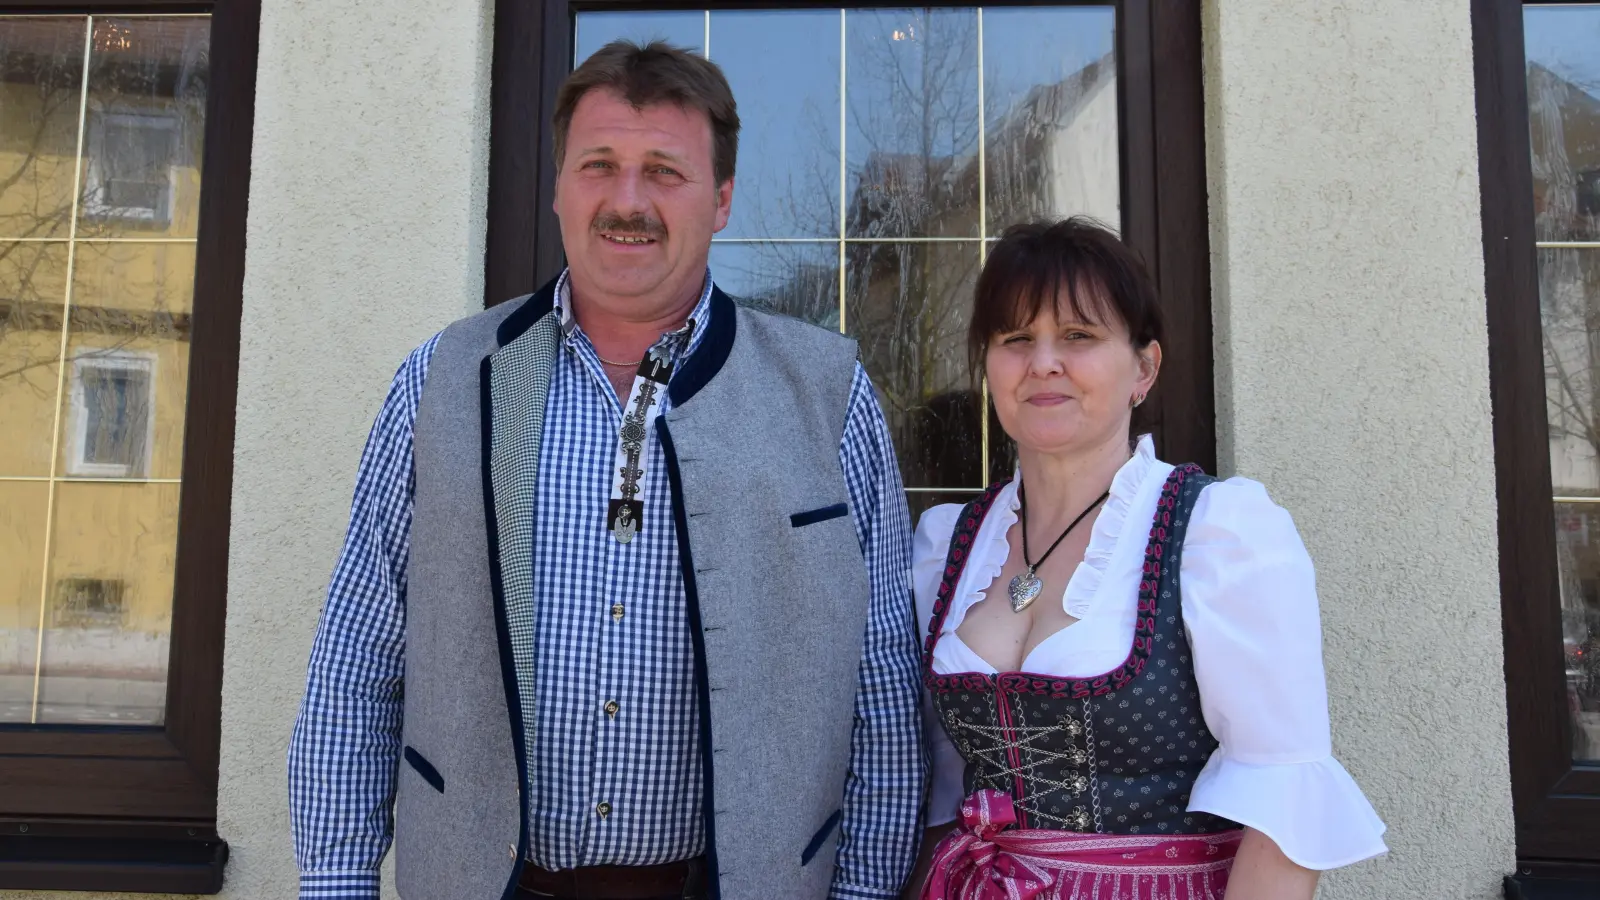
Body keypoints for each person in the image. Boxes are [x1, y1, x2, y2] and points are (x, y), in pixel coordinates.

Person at [288, 41, 926, 900]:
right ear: (558, 188)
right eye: (600, 165)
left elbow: (879, 676)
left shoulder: (828, 396)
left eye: (665, 170)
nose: (628, 200)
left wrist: (864, 891)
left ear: (723, 198)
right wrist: (337, 879)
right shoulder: (444, 379)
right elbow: (357, 657)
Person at [905, 219, 1387, 899]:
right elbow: (938, 789)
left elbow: (1282, 804)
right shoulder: (949, 545)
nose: (1043, 361)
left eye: (1078, 336)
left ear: (1144, 368)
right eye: (1016, 339)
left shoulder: (1216, 534)